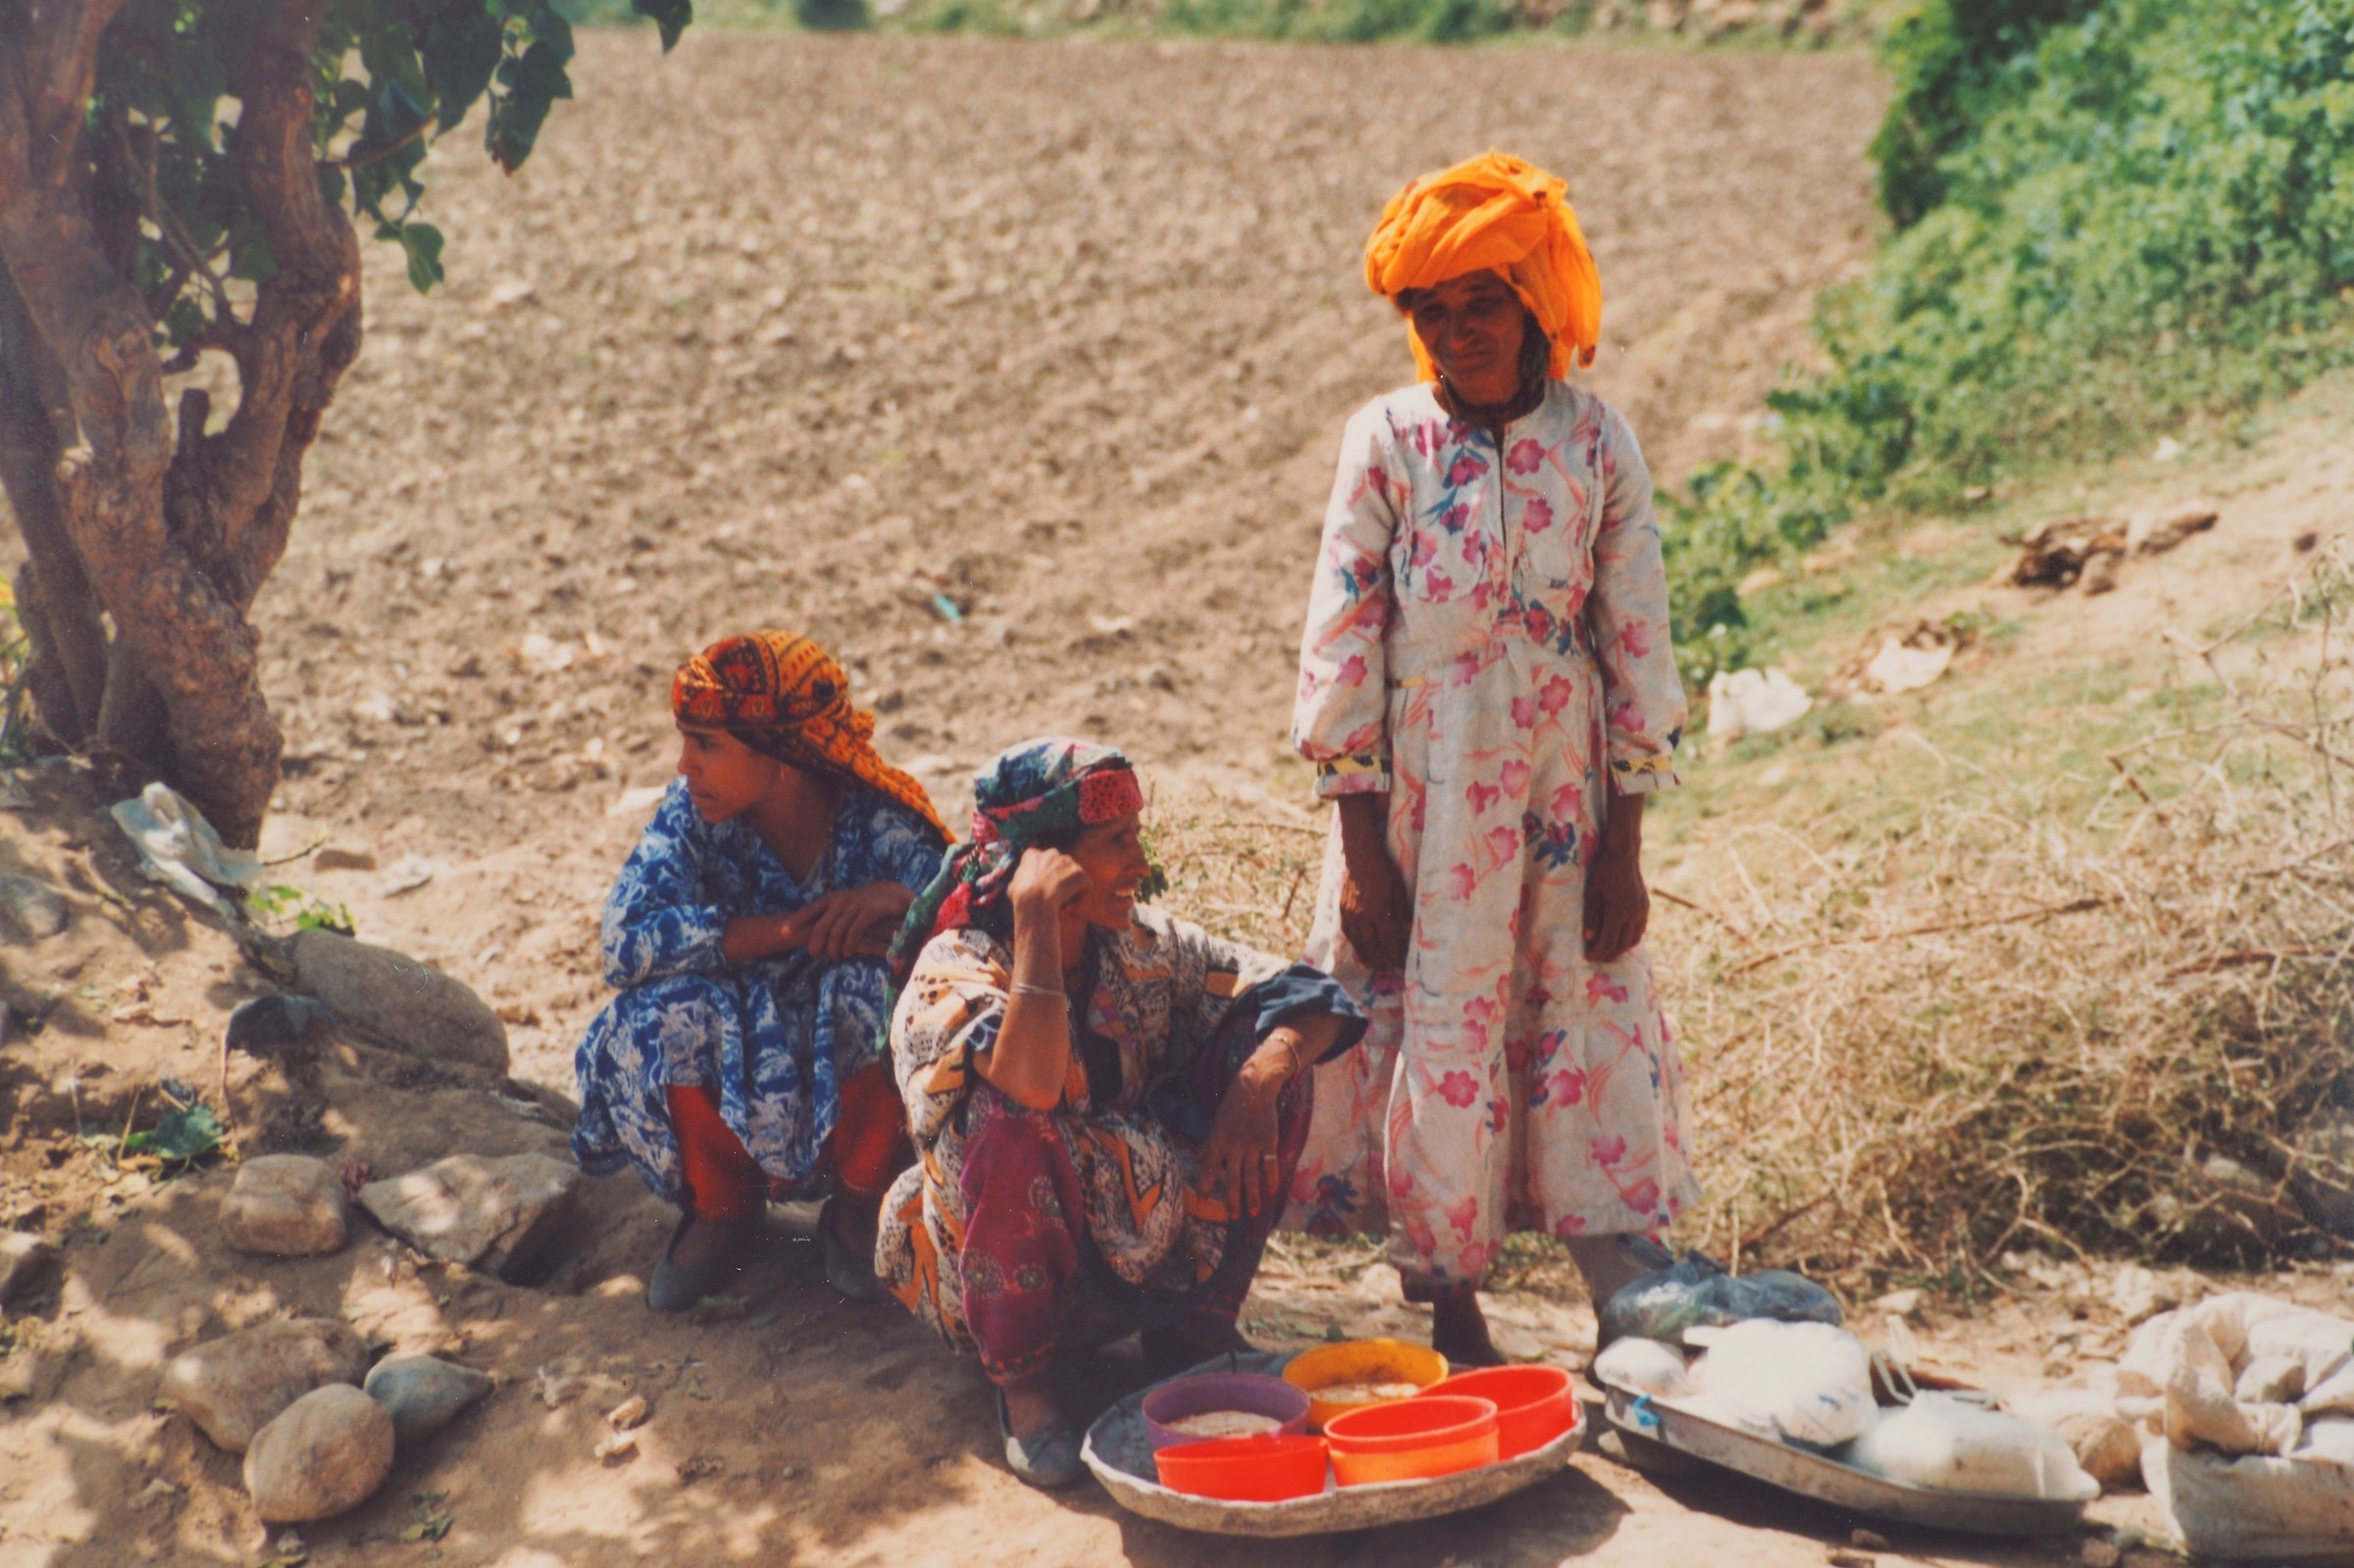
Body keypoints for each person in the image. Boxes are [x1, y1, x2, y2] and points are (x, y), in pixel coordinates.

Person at [1284, 152, 1698, 1366]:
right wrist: (1361, 849)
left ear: (1533, 305)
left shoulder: (1597, 441)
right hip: (1425, 793)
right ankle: (1448, 1290)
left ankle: (1618, 1285)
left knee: (1579, 1005)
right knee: (1441, 1016)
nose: (1456, 331)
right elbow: (1343, 637)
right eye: (1431, 309)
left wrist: (1626, 844)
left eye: (1481, 302)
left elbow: (1635, 637)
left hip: (1565, 791)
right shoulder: (1387, 440)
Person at [876, 739, 1365, 1488]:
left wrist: (1261, 1077)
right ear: (1042, 863)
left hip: (1132, 1248)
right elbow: (1031, 1083)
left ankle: (1194, 1328)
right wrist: (1037, 923)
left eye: (1137, 836)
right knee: (1009, 1116)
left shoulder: (1139, 947)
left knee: (1275, 1054)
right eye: (1116, 842)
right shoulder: (954, 969)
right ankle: (1025, 1386)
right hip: (989, 1277)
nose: (1141, 862)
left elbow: (1314, 997)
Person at [573, 632, 949, 1311]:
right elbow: (623, 942)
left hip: (836, 1058)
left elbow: (975, 926)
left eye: (706, 744)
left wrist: (903, 902)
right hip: (745, 1033)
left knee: (899, 999)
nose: (685, 764)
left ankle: (862, 1201)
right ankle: (724, 1207)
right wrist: (785, 931)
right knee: (657, 1016)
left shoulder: (879, 821)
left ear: (780, 756)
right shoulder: (692, 816)